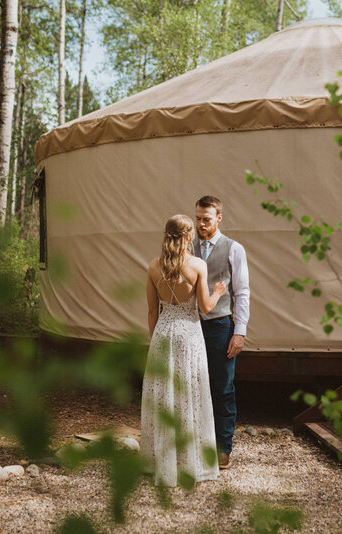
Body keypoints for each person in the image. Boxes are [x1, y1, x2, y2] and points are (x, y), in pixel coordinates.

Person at [141, 214, 226, 487]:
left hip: (163, 334)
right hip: (189, 335)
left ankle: (161, 462)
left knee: (165, 395)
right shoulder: (197, 265)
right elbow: (205, 308)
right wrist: (218, 292)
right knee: (190, 393)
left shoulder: (154, 267)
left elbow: (152, 311)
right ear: (188, 236)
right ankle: (190, 463)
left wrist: (154, 342)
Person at [193, 196, 250, 470]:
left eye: (206, 219)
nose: (201, 224)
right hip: (191, 325)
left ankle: (222, 448)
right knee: (193, 385)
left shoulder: (233, 248)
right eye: (198, 219)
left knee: (222, 387)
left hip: (220, 326)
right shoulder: (188, 247)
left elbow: (242, 291)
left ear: (219, 218)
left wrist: (239, 331)